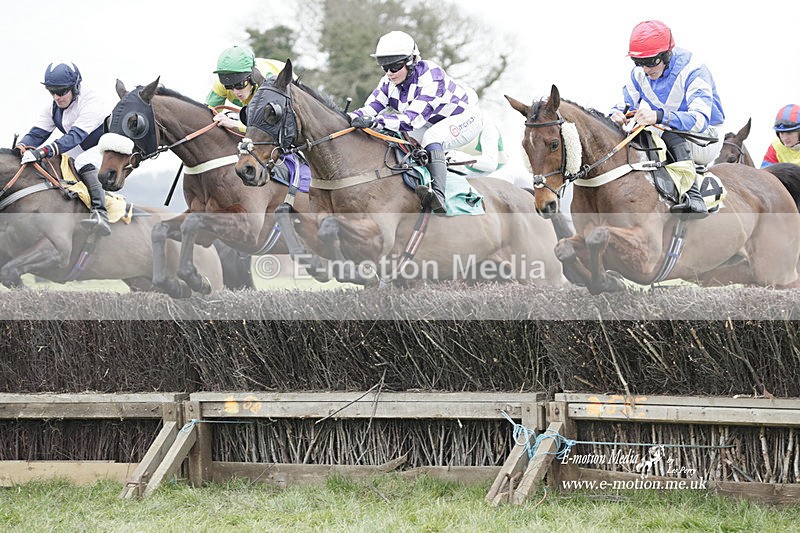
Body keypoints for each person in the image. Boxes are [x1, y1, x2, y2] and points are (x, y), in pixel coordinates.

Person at [348, 30, 483, 214]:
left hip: (464, 117)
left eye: (394, 67)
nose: (389, 73)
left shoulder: (431, 75)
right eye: (384, 67)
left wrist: (375, 122)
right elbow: (368, 110)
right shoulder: (387, 82)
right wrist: (346, 118)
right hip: (429, 121)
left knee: (432, 137)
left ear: (411, 60)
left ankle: (438, 195)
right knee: (395, 138)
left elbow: (412, 120)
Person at [610, 20, 725, 218]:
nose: (645, 69)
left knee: (658, 129)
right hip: (671, 132)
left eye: (651, 62)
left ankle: (694, 196)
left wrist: (658, 116)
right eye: (639, 62)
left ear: (667, 55)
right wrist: (616, 115)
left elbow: (699, 120)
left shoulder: (694, 71)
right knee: (634, 131)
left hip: (706, 137)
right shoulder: (639, 74)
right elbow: (625, 104)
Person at [17, 61, 112, 235]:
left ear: (75, 87)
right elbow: (37, 134)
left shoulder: (92, 100)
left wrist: (42, 151)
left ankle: (101, 214)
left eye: (61, 91)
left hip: (106, 147)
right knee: (53, 161)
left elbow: (75, 136)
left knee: (83, 161)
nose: (56, 97)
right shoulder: (53, 107)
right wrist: (20, 148)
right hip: (81, 146)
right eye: (52, 92)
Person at [206, 45, 287, 132]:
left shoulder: (266, 83)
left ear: (252, 78)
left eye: (239, 85)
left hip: (286, 92)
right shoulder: (221, 84)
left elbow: (271, 127)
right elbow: (207, 114)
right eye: (228, 86)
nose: (235, 92)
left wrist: (234, 124)